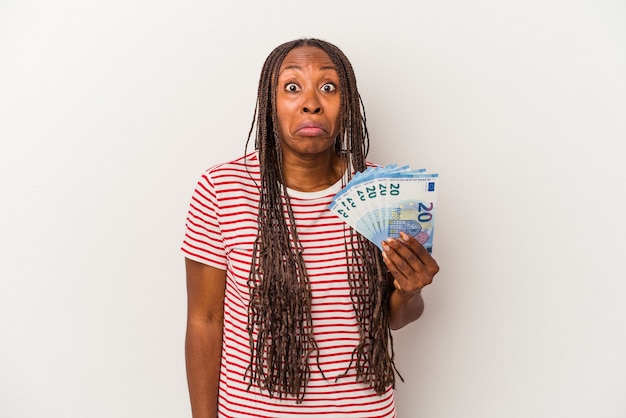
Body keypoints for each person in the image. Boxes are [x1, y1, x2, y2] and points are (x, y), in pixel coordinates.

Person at [181, 38, 439, 418]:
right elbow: (204, 320)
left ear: (347, 104)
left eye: (329, 87)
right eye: (292, 86)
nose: (312, 101)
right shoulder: (222, 189)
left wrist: (411, 290)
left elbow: (396, 318)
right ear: (269, 103)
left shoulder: (385, 193)